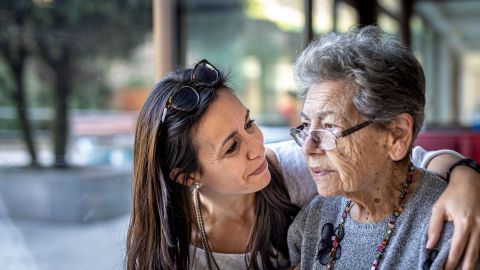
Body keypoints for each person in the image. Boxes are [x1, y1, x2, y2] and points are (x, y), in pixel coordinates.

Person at [125, 58, 480, 270]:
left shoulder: (294, 168)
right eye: (232, 147)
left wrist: (466, 177)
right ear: (187, 176)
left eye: (248, 123)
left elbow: (400, 161)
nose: (256, 147)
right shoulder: (169, 248)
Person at [287, 26, 480, 269]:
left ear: (397, 135)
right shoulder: (316, 215)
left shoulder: (448, 229)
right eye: (305, 125)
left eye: (329, 127)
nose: (307, 148)